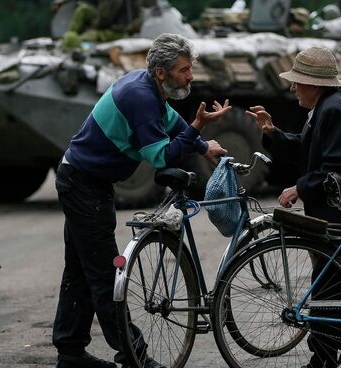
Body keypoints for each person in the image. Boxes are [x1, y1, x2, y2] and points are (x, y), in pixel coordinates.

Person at [52, 33, 230, 368]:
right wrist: (195, 129)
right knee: (106, 275)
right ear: (162, 72)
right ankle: (134, 357)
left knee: (80, 270)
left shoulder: (149, 88)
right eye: (184, 69)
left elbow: (170, 122)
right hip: (83, 184)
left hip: (85, 180)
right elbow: (161, 157)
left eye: (190, 69)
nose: (190, 76)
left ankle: (70, 353)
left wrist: (203, 145)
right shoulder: (139, 96)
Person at [247, 46, 341, 367]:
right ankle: (334, 356)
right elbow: (308, 149)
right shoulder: (327, 108)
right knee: (334, 284)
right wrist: (272, 133)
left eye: (297, 82)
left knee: (333, 285)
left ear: (315, 85)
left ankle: (336, 357)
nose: (292, 88)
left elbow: (335, 169)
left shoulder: (335, 111)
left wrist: (299, 188)